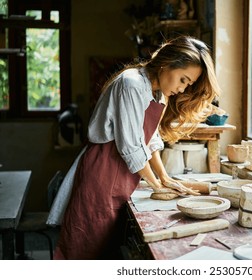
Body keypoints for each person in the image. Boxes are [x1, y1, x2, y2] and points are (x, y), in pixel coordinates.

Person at [53, 36, 221, 260]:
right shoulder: (131, 84)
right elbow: (131, 146)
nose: (182, 89)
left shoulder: (159, 93)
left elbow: (149, 140)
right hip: (102, 171)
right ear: (166, 63)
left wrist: (165, 178)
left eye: (187, 84)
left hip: (123, 175)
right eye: (183, 79)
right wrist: (156, 186)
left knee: (107, 250)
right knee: (86, 248)